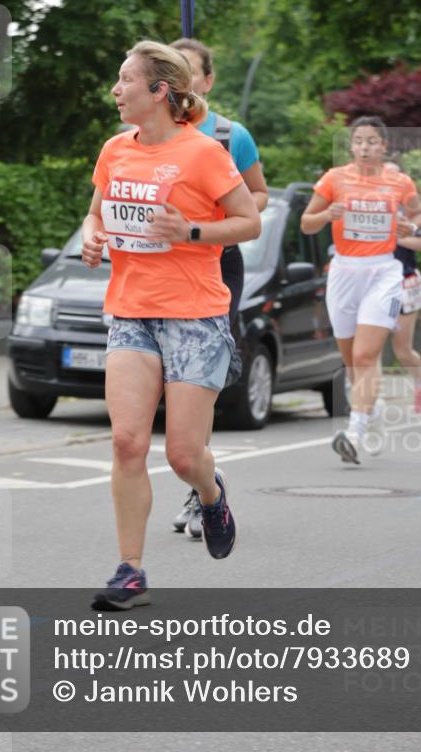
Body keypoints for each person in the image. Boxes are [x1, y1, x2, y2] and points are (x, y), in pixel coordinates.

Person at [82, 41, 261, 610]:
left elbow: (249, 221)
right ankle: (130, 571)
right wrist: (92, 235)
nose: (116, 90)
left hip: (195, 314)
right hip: (131, 311)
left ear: (159, 91)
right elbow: (97, 210)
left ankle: (210, 494)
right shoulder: (114, 150)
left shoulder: (204, 153)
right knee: (127, 441)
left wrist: (189, 233)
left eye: (125, 80)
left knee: (184, 455)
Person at [169, 38, 268, 539]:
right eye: (171, 70)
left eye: (189, 71)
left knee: (200, 379)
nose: (180, 80)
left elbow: (259, 195)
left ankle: (199, 489)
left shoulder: (230, 135)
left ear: (207, 81)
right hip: (157, 267)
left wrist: (208, 221)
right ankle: (200, 473)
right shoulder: (141, 133)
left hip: (215, 263)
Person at [300, 116, 421, 464]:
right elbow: (306, 224)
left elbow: (418, 215)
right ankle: (373, 411)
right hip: (344, 272)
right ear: (351, 146)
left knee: (366, 356)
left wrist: (409, 225)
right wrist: (327, 214)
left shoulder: (399, 181)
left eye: (372, 141)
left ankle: (354, 431)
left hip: (384, 272)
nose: (365, 147)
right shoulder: (333, 178)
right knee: (352, 361)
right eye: (359, 141)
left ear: (384, 146)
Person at [384, 159, 421, 414]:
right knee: (366, 344)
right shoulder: (371, 206)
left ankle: (420, 379)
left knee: (401, 350)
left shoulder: (409, 213)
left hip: (406, 282)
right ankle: (368, 401)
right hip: (376, 283)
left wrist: (400, 238)